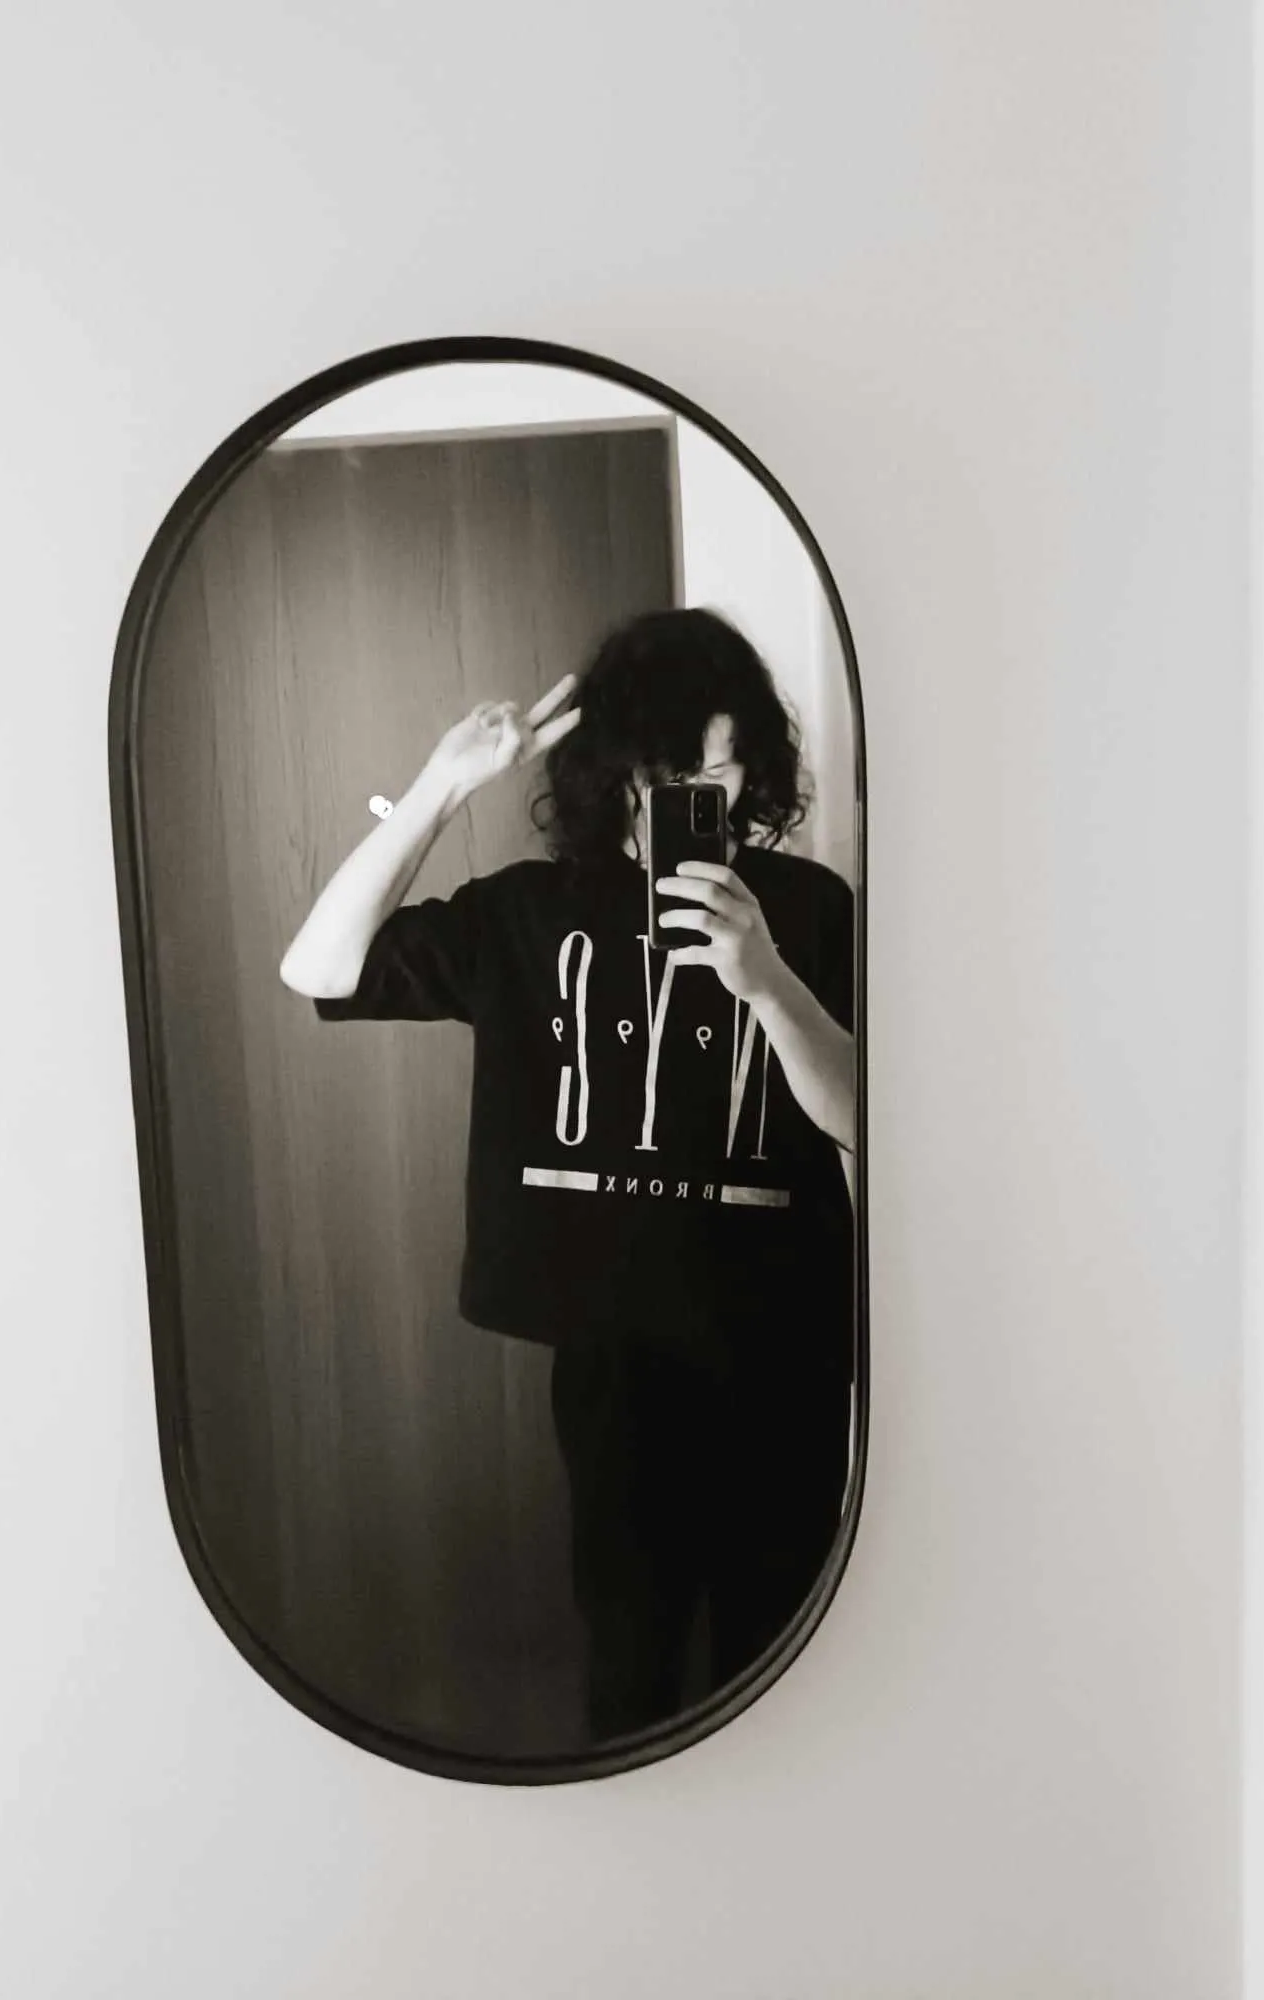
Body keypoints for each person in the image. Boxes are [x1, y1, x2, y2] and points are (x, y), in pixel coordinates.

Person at [280, 607, 856, 1740]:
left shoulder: (809, 909)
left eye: (713, 775)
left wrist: (768, 980)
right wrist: (442, 785)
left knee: (788, 1665)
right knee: (631, 1664)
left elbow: (864, 1122)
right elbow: (318, 967)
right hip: (613, 1351)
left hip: (786, 1346)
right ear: (613, 771)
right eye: (659, 775)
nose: (686, 802)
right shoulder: (531, 914)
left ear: (752, 770)